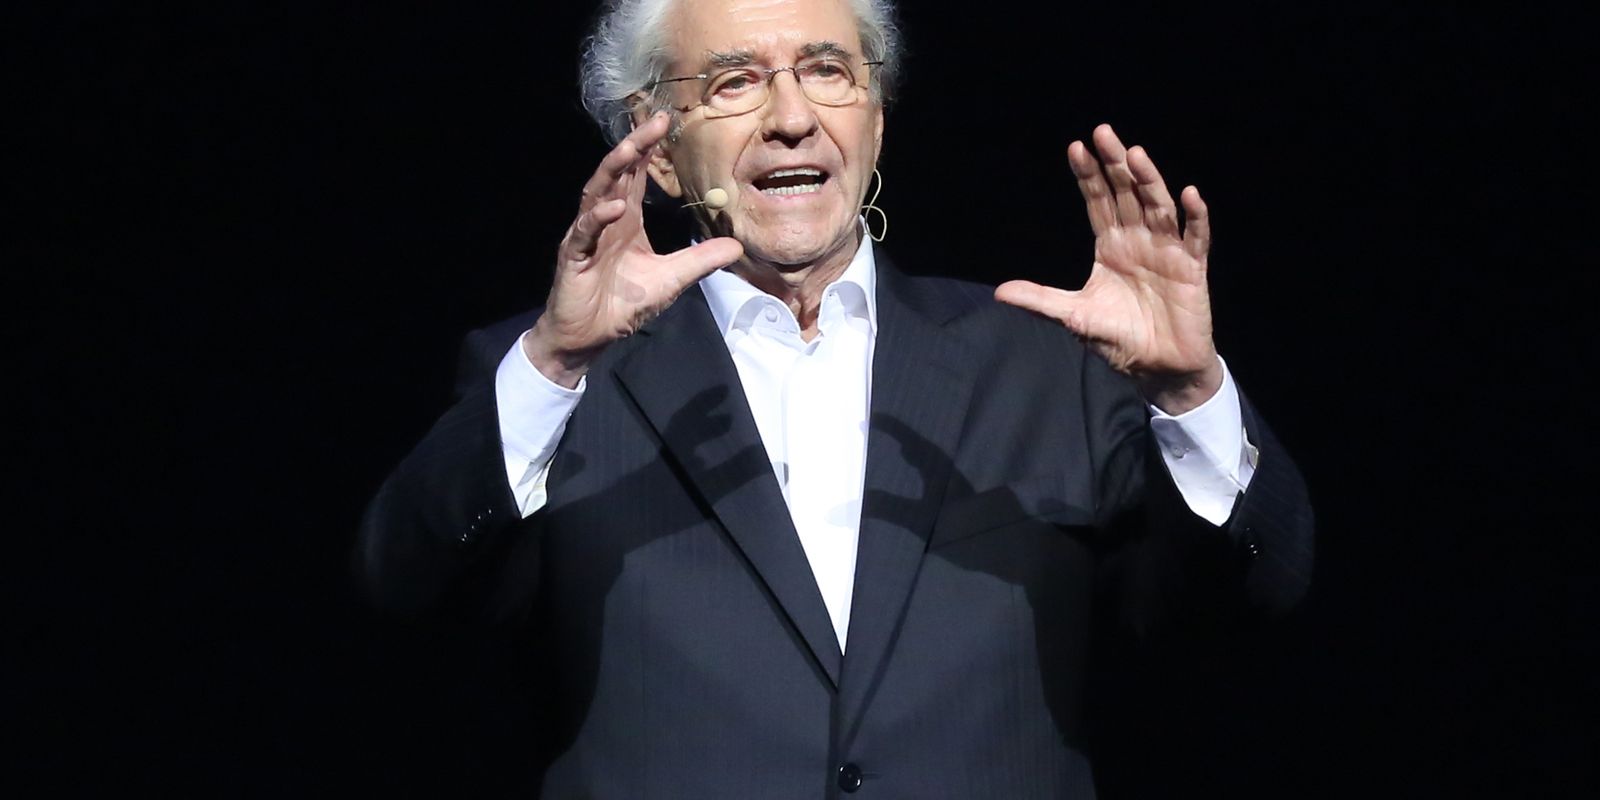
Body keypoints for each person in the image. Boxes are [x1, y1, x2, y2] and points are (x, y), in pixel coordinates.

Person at [357, 0, 1313, 795]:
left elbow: (1249, 611)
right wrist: (554, 364)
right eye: (734, 82)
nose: (791, 117)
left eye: (827, 71)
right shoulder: (555, 375)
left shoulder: (1051, 363)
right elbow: (401, 594)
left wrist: (1191, 394)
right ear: (658, 151)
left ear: (877, 120)